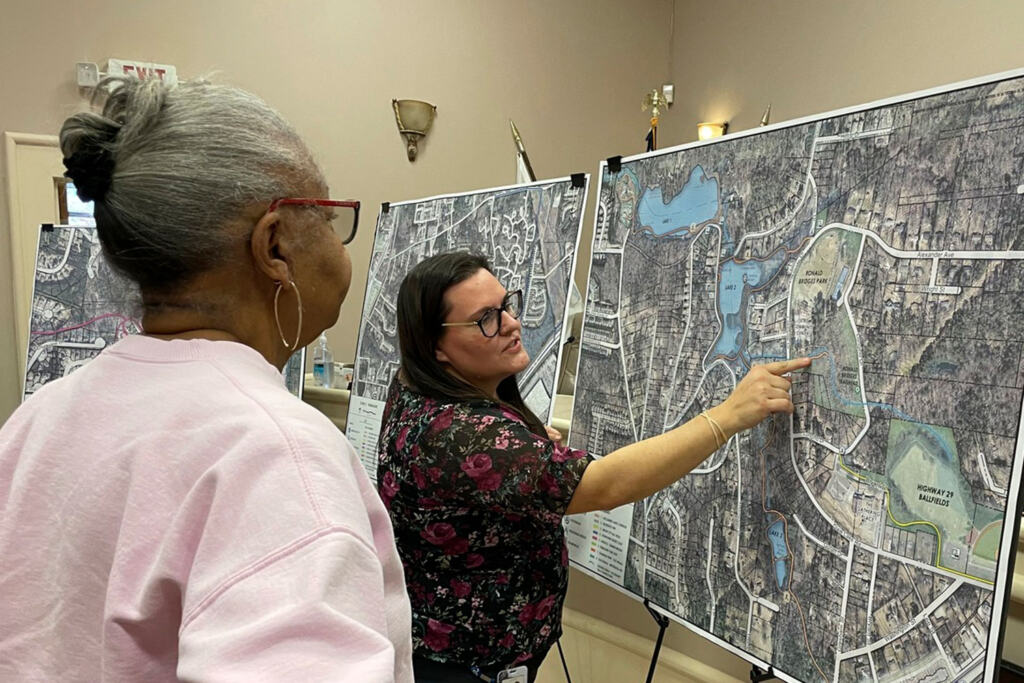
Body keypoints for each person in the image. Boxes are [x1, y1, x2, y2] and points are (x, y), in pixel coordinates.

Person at [0, 76, 412, 682]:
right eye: (329, 217)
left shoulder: (38, 418)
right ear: (274, 245)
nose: (340, 244)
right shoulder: (274, 451)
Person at [377, 251, 810, 682]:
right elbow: (605, 485)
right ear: (436, 348)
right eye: (485, 318)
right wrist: (729, 415)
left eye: (507, 304)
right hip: (465, 667)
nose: (511, 323)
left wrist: (516, 454)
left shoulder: (416, 393)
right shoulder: (464, 437)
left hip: (445, 649)